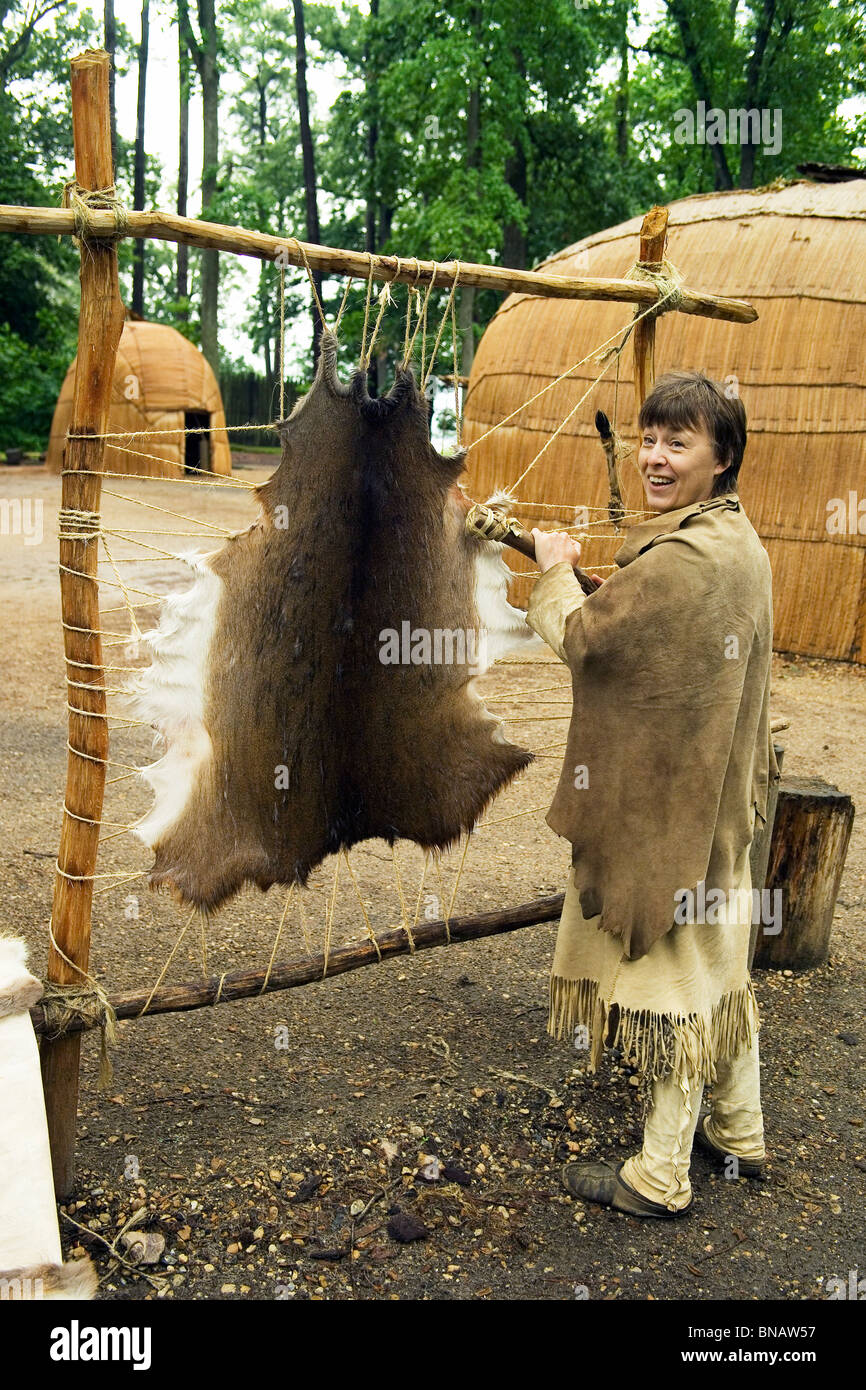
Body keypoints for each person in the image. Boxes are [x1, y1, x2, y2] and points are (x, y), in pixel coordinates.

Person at [525, 371, 779, 1218]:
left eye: (679, 442)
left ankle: (660, 1175)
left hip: (675, 823)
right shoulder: (736, 542)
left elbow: (590, 645)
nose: (655, 458)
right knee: (721, 969)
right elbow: (662, 641)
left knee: (674, 986)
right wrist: (613, 595)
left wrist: (556, 573)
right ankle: (739, 1130)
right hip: (721, 811)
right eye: (648, 438)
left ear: (723, 455)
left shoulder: (686, 557)